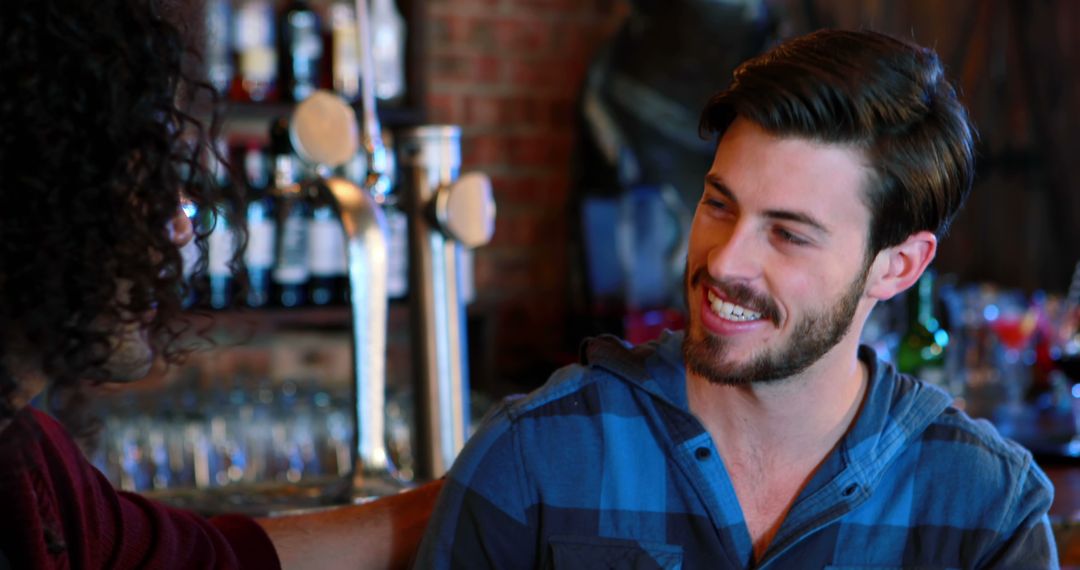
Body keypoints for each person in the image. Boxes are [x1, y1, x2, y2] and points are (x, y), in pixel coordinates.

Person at [415, 29, 1057, 569]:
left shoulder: (986, 510)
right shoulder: (538, 454)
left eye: (787, 234)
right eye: (719, 205)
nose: (724, 261)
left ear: (897, 267)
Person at [0, 1, 439, 568]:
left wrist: (478, 488)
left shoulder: (33, 459)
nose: (181, 229)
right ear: (38, 197)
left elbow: (215, 559)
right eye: (146, 186)